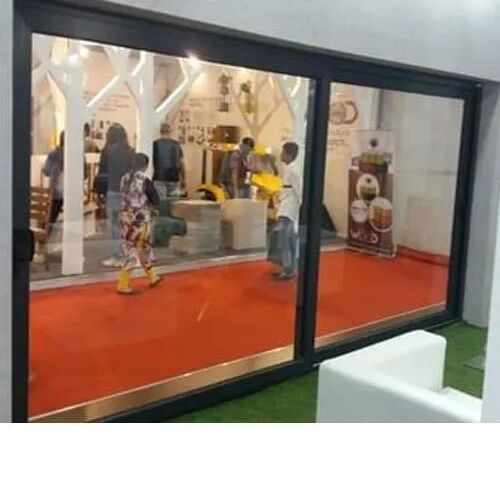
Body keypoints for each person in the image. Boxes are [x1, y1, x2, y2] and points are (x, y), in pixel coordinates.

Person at [117, 152, 161, 294]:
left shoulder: (124, 178)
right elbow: (155, 199)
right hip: (140, 219)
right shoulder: (145, 180)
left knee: (134, 246)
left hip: (125, 217)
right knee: (139, 248)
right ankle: (123, 284)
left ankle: (152, 277)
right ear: (146, 166)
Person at [97, 123, 135, 267]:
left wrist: (100, 193)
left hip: (113, 191)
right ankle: (127, 254)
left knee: (114, 226)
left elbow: (102, 174)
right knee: (126, 225)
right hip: (127, 193)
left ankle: (117, 255)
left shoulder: (107, 152)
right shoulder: (130, 152)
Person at [272, 141, 302, 281]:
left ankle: (288, 269)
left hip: (288, 210)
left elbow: (299, 191)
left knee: (284, 240)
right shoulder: (288, 169)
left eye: (283, 152)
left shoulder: (293, 171)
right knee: (288, 239)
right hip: (285, 207)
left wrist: (298, 208)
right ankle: (289, 267)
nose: (281, 154)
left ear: (289, 155)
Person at [152, 123, 185, 198]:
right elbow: (181, 163)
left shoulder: (155, 144)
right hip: (173, 177)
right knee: (173, 202)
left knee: (161, 202)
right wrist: (183, 179)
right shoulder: (176, 144)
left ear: (160, 131)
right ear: (170, 132)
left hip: (159, 177)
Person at [42, 131, 65, 224]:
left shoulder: (52, 154)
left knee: (50, 218)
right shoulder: (75, 155)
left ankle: (46, 230)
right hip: (71, 193)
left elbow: (46, 171)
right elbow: (84, 173)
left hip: (55, 192)